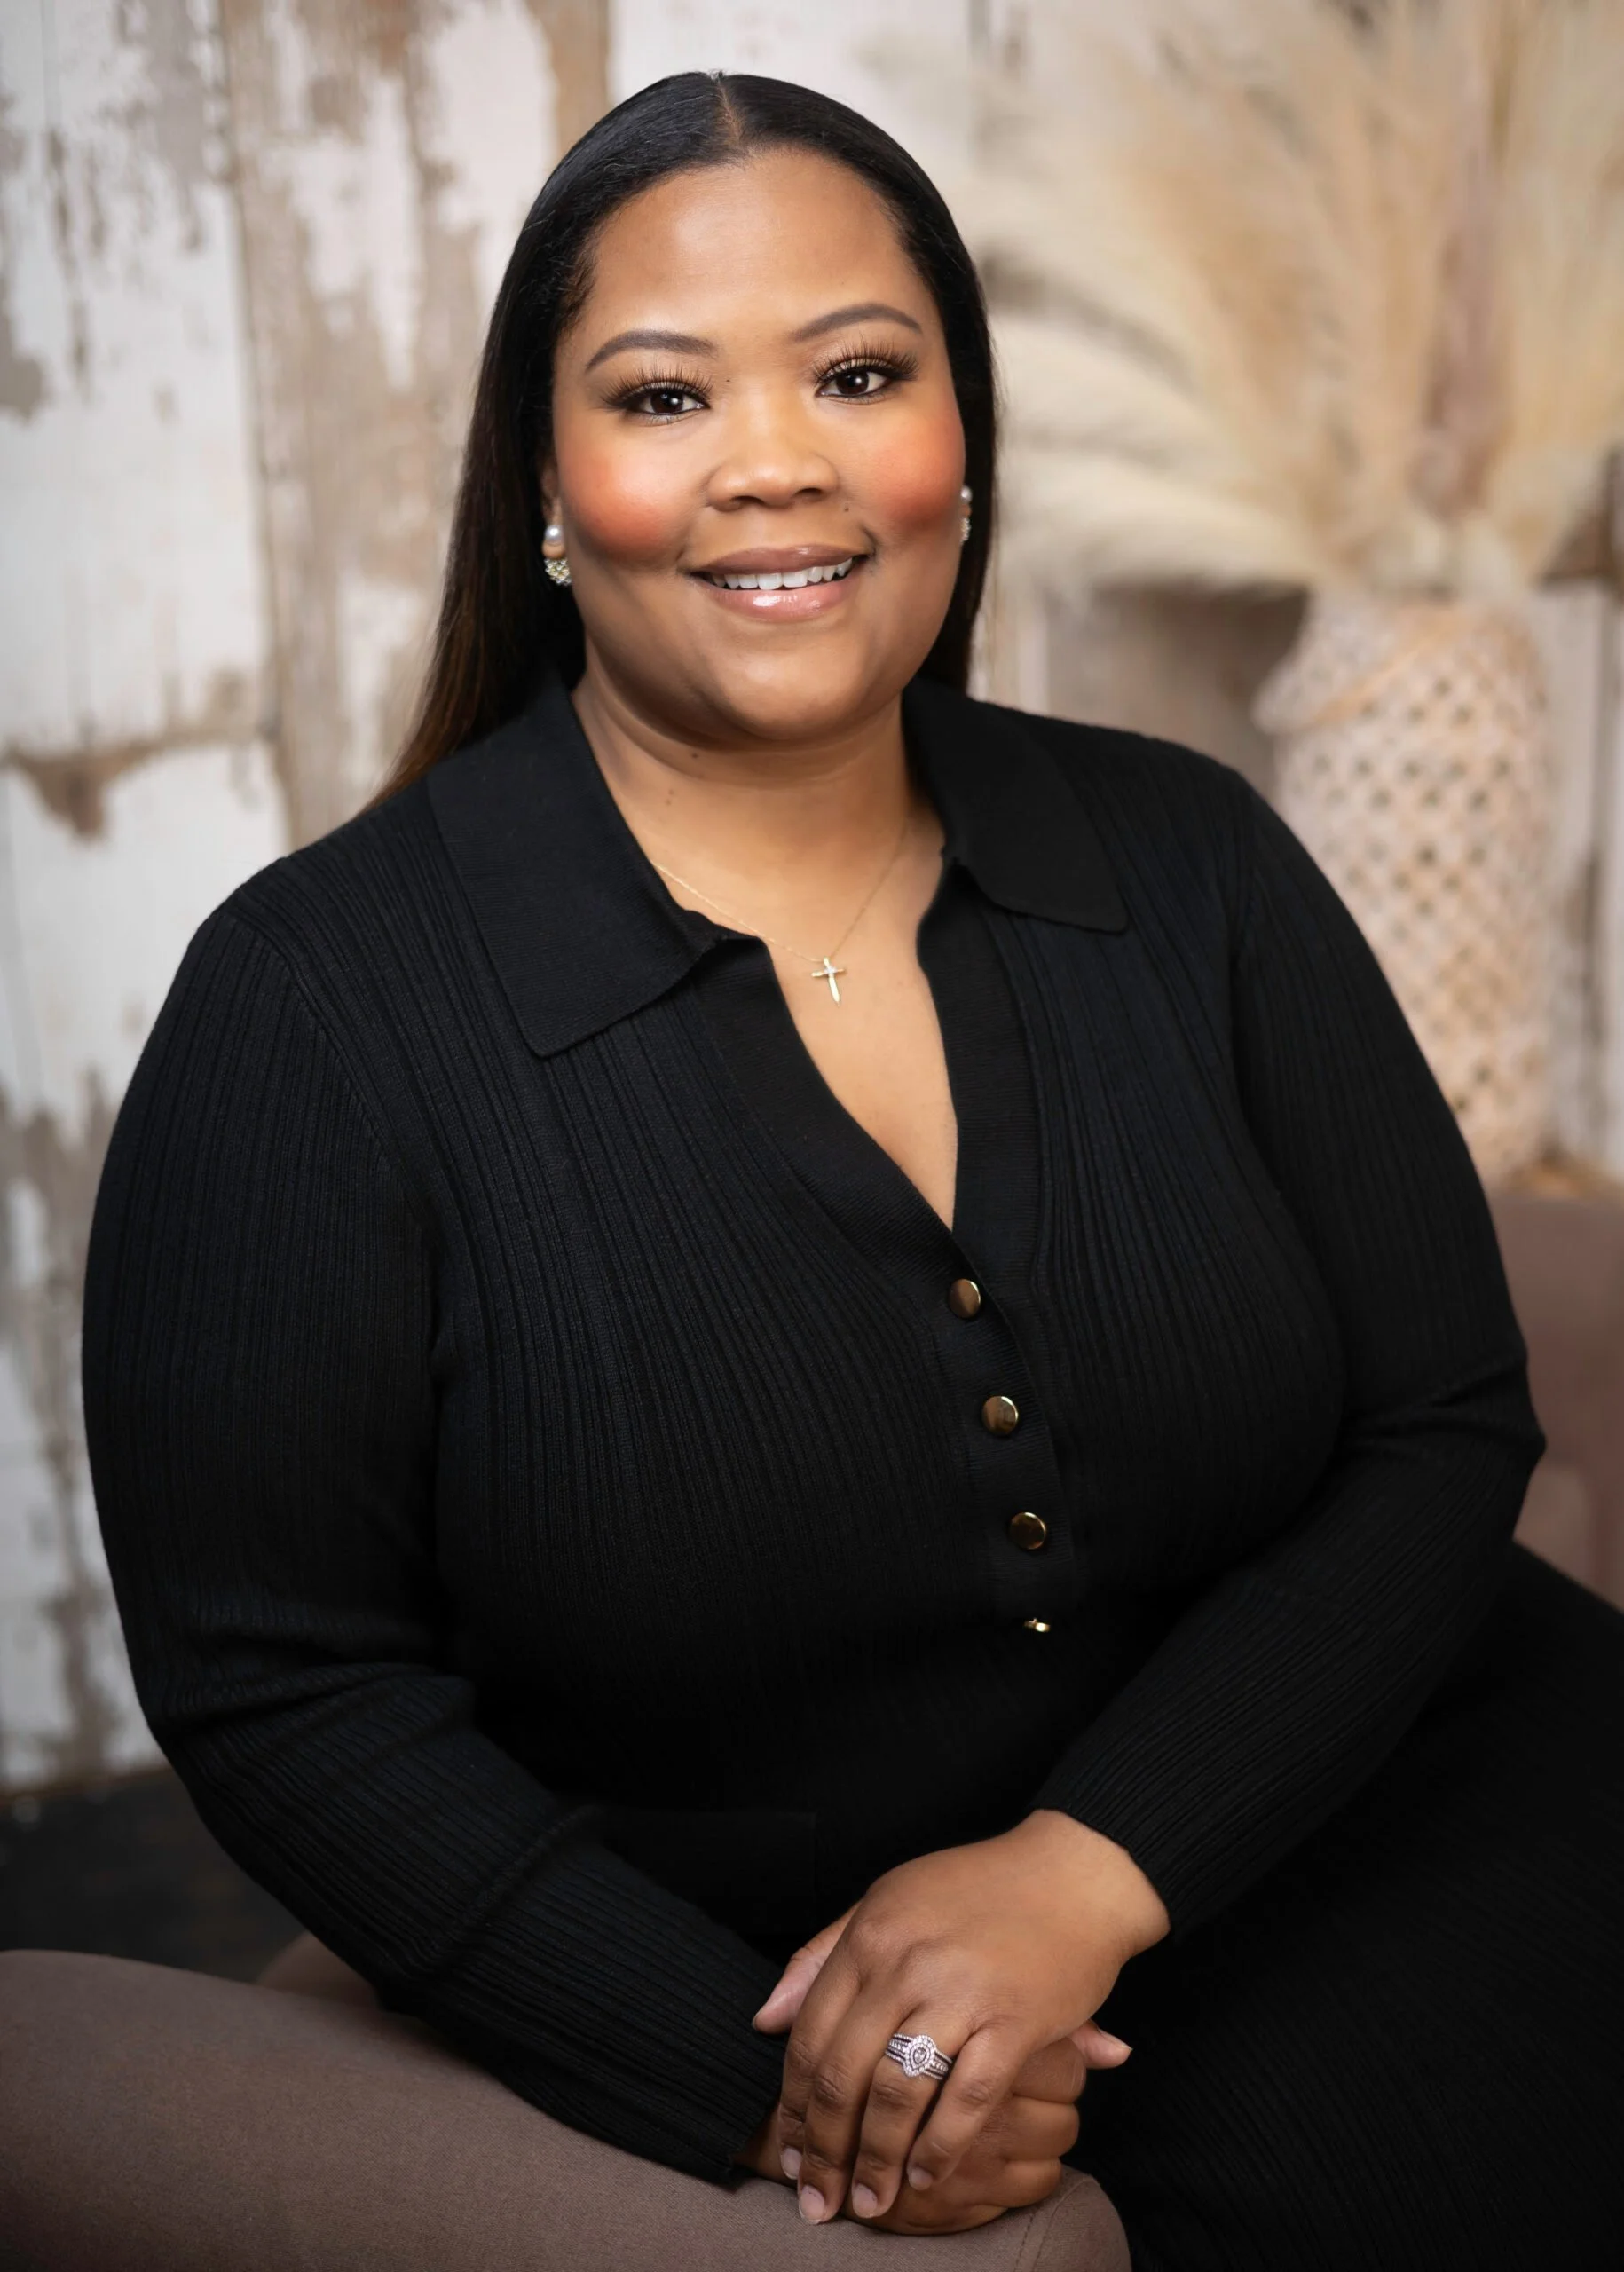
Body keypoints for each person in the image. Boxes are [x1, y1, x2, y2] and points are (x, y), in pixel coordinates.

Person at [3, 67, 1620, 2272]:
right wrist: (764, 2082)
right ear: (551, 484)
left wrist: (1083, 1868)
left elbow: (1441, 1421)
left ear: (959, 440)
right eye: (664, 395)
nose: (778, 456)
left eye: (860, 371)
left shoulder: (1193, 857)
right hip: (788, 1970)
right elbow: (289, 1692)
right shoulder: (316, 1010)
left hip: (1408, 1807)